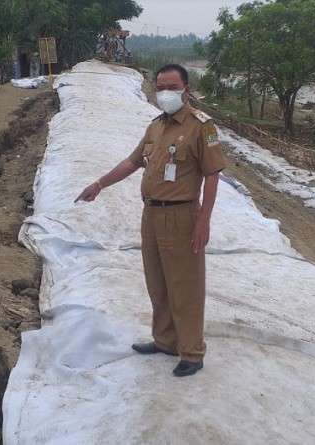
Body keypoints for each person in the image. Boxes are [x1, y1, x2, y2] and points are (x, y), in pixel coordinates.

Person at [74, 64, 226, 377]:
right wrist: (99, 185)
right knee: (157, 283)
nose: (165, 93)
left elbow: (212, 176)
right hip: (151, 215)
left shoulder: (201, 127)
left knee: (186, 286)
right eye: (160, 87)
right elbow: (132, 161)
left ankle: (192, 352)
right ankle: (166, 340)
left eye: (172, 87)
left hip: (182, 216)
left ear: (186, 89)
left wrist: (204, 222)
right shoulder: (156, 126)